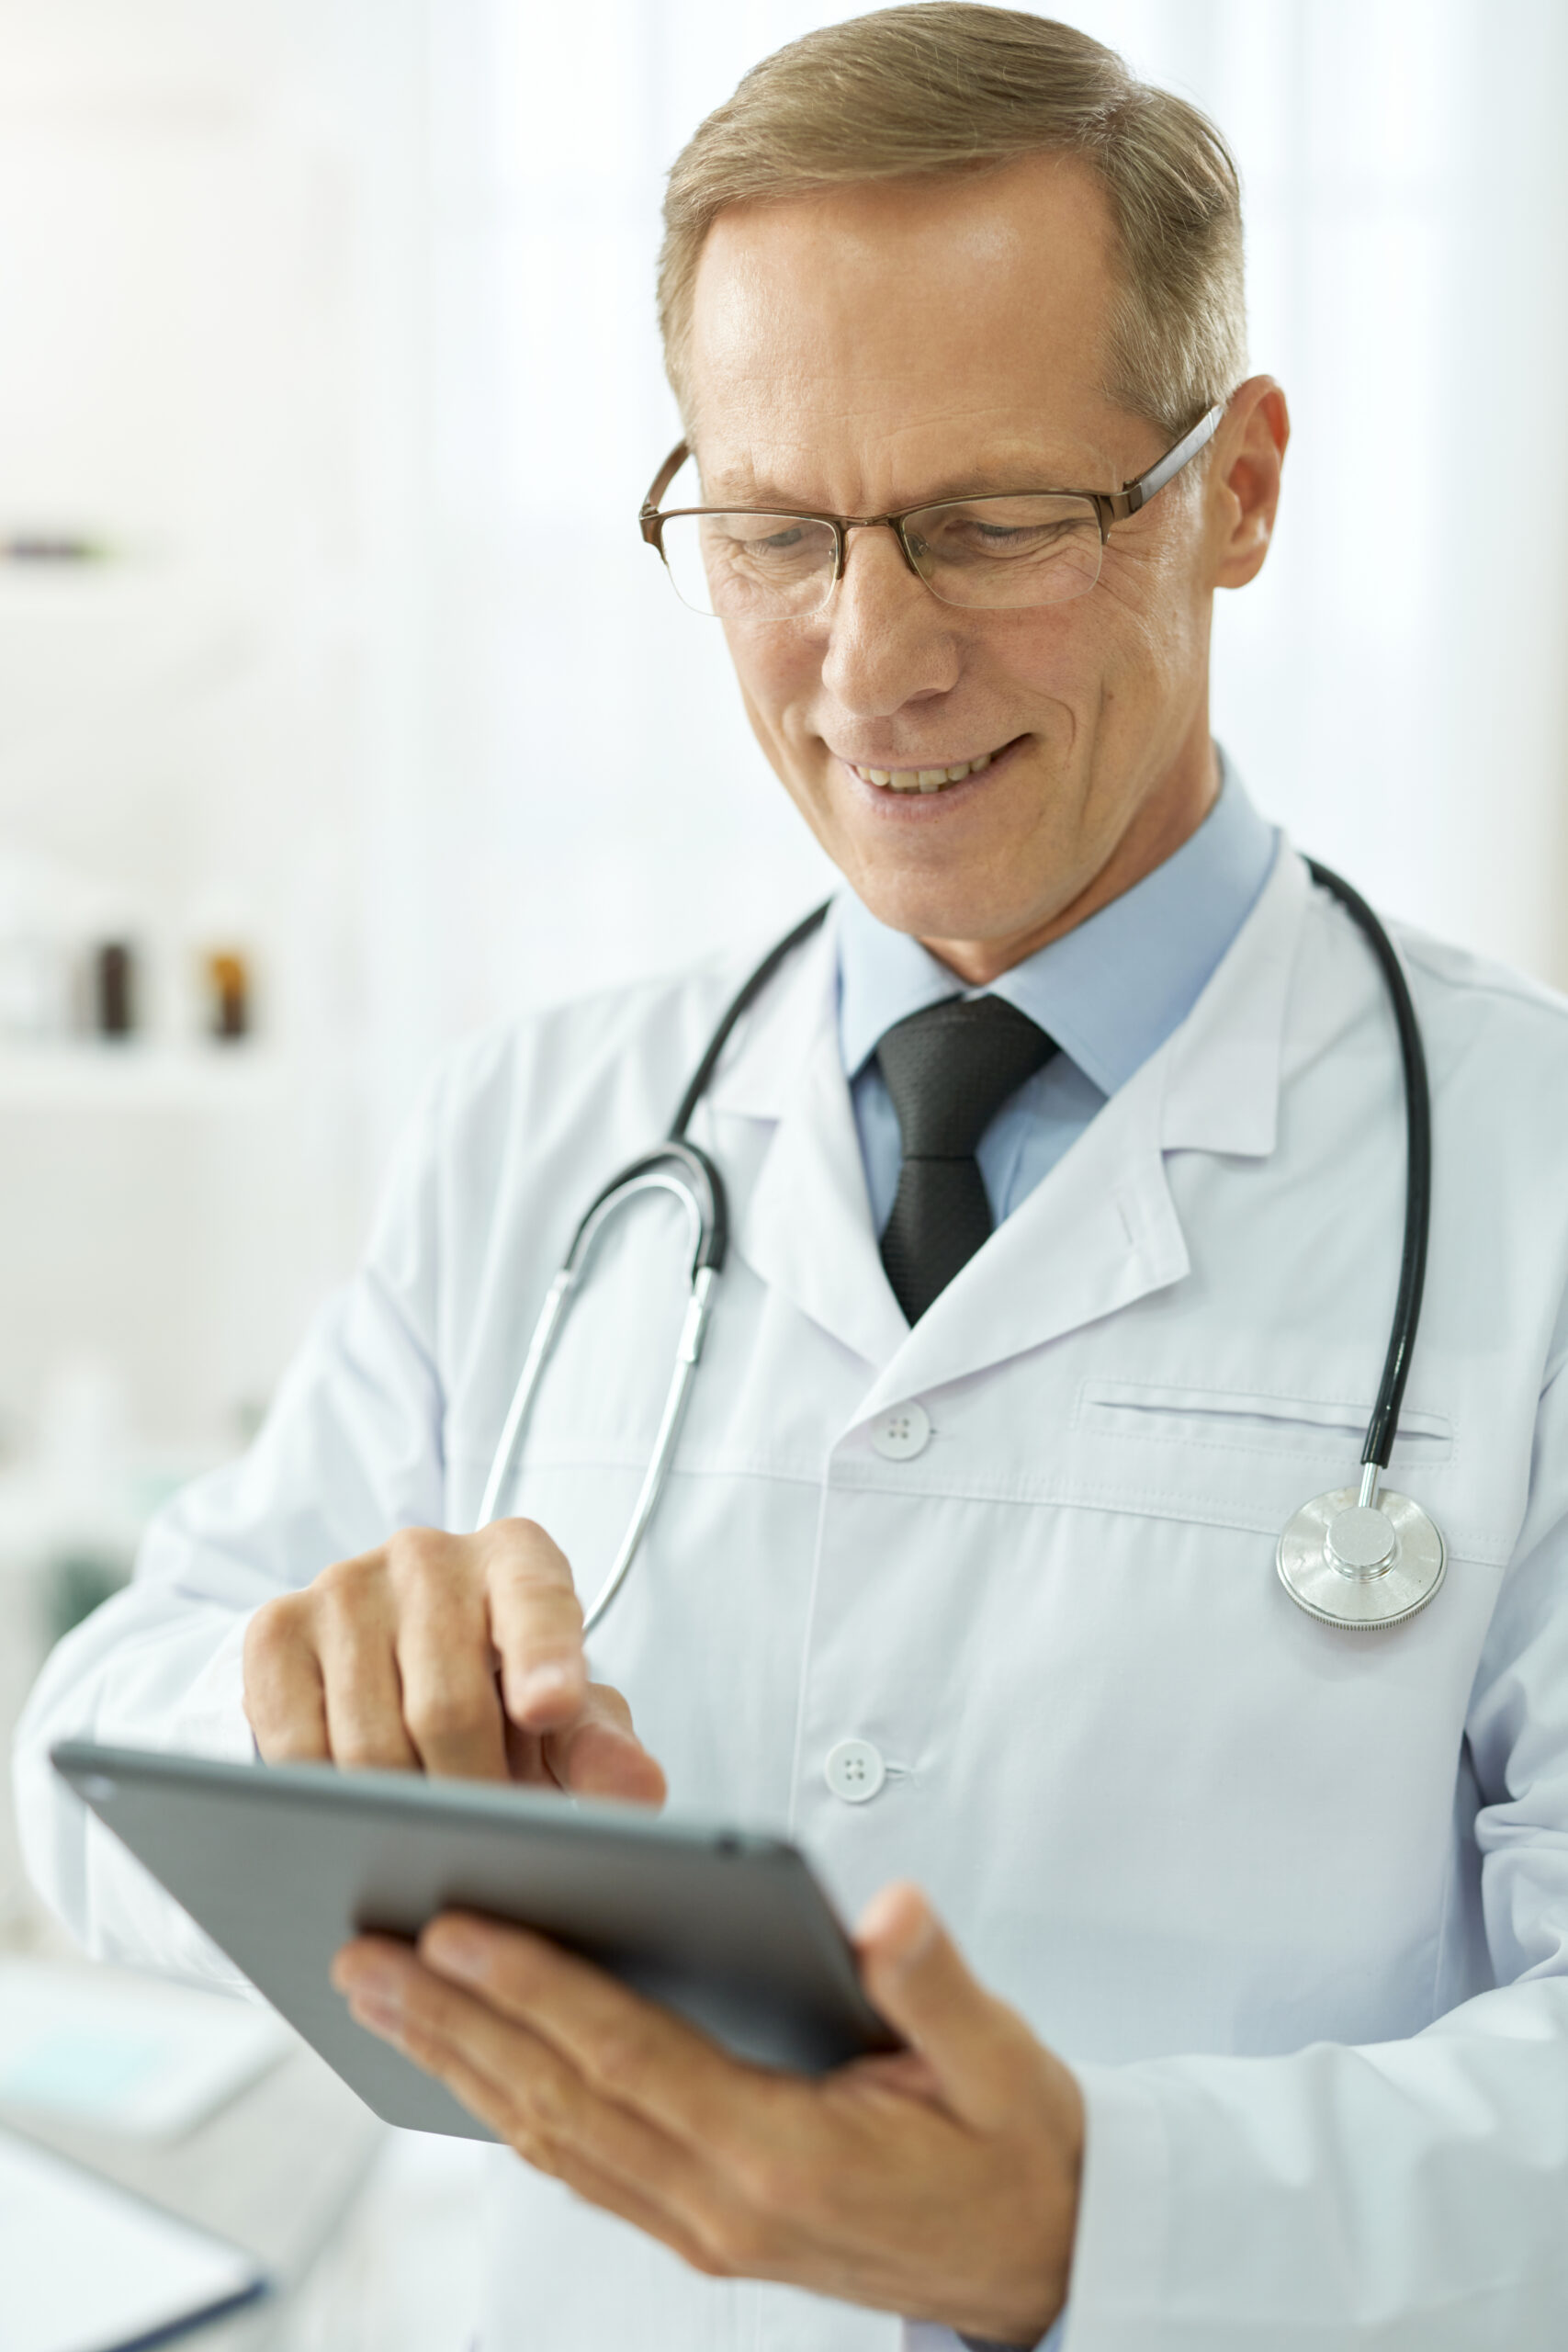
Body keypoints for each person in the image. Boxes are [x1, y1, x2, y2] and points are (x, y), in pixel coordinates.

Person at [15, 6, 1568, 2346]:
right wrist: (294, 1705)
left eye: (987, 522)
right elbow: (82, 1769)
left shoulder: (1528, 1176)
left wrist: (1088, 2220)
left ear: (1233, 486)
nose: (865, 660)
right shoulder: (543, 1124)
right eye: (769, 530)